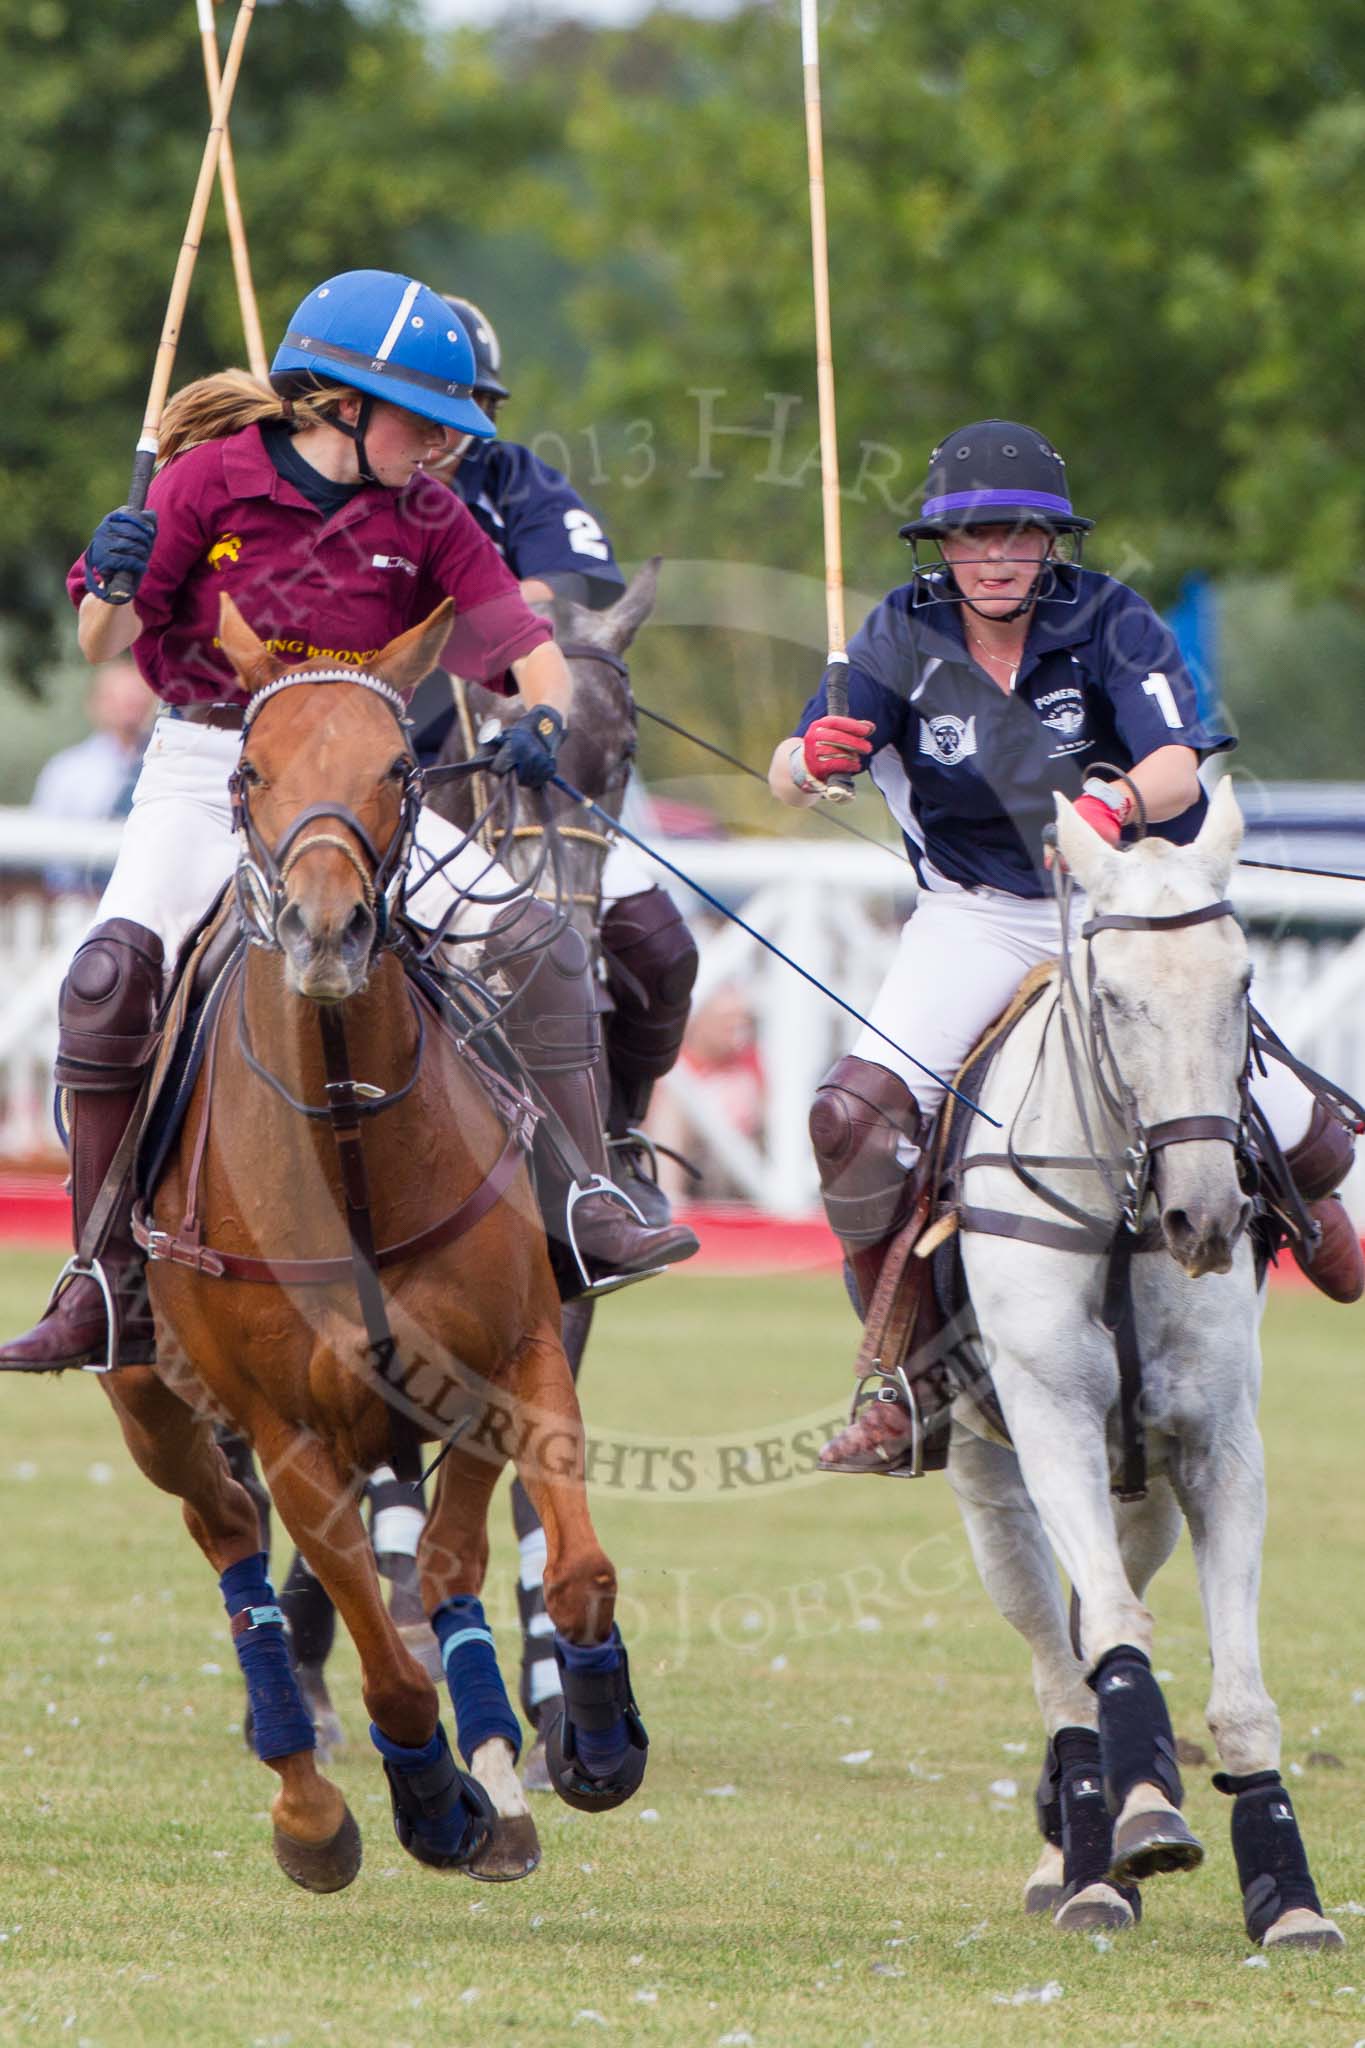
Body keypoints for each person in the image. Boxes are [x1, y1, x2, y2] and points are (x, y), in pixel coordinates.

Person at [0, 269, 697, 1376]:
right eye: (424, 421)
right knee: (104, 982)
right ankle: (101, 1277)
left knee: (539, 945)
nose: (440, 445)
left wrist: (545, 719)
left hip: (363, 776)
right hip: (210, 761)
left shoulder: (430, 513)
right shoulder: (204, 484)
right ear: (341, 402)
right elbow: (100, 639)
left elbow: (531, 647)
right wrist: (114, 578)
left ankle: (583, 1202)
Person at [768, 418, 1363, 1463]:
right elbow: (798, 768)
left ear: (1053, 543)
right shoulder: (897, 634)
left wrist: (1118, 801)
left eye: (1019, 533)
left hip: (1125, 902)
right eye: (972, 536)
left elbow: (1182, 760)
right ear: (939, 548)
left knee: (1291, 1114)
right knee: (848, 1120)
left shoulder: (1112, 619)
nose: (995, 555)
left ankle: (1317, 1214)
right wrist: (808, 755)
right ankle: (914, 1374)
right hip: (976, 917)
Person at [405, 292, 699, 1229]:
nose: (457, 421)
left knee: (658, 945)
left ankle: (616, 1132)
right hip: (398, 766)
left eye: (474, 401)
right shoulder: (356, 495)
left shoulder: (512, 479)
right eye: (434, 397)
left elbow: (582, 585)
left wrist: (474, 599)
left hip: (545, 748)